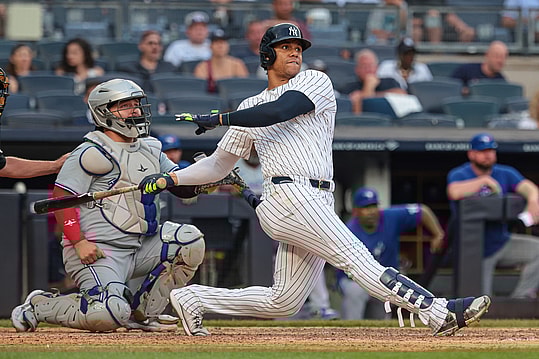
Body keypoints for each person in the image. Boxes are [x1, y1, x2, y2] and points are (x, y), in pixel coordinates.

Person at [137, 22, 491, 337]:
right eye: (285, 48)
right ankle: (437, 311)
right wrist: (168, 179)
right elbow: (215, 166)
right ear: (266, 56)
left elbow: (281, 110)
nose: (294, 52)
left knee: (283, 302)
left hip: (315, 198)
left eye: (297, 48)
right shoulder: (249, 106)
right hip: (289, 197)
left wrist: (220, 117)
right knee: (357, 257)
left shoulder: (313, 81)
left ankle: (192, 297)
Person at [10, 78, 207, 333]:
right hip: (101, 250)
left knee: (190, 241)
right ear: (104, 112)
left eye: (137, 104)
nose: (135, 110)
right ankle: (39, 306)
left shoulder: (151, 148)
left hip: (142, 245)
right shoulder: (91, 151)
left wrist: (207, 179)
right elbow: (61, 199)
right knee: (109, 314)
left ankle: (143, 313)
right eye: (125, 105)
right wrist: (78, 241)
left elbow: (181, 186)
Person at [447, 133, 539, 299]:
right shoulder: (459, 174)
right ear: (472, 154)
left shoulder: (505, 172)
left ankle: (520, 298)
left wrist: (533, 200)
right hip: (474, 251)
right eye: (482, 151)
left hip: (501, 242)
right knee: (480, 302)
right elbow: (454, 192)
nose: (487, 154)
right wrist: (483, 181)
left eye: (491, 150)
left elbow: (529, 188)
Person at [337, 187, 445, 320]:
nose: (371, 211)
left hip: (382, 279)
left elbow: (422, 211)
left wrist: (438, 234)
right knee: (355, 292)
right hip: (355, 280)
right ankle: (349, 333)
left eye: (374, 206)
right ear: (356, 211)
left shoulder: (390, 217)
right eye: (366, 207)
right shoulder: (349, 231)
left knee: (382, 311)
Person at [339, 49, 406, 114]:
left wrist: (366, 94)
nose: (368, 69)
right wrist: (368, 87)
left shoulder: (390, 81)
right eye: (364, 66)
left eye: (371, 65)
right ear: (357, 69)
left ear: (377, 68)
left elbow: (402, 95)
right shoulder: (349, 87)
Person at [193, 29, 249, 93]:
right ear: (210, 46)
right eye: (216, 42)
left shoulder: (237, 64)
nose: (220, 46)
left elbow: (243, 89)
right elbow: (201, 92)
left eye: (223, 42)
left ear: (228, 45)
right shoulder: (202, 67)